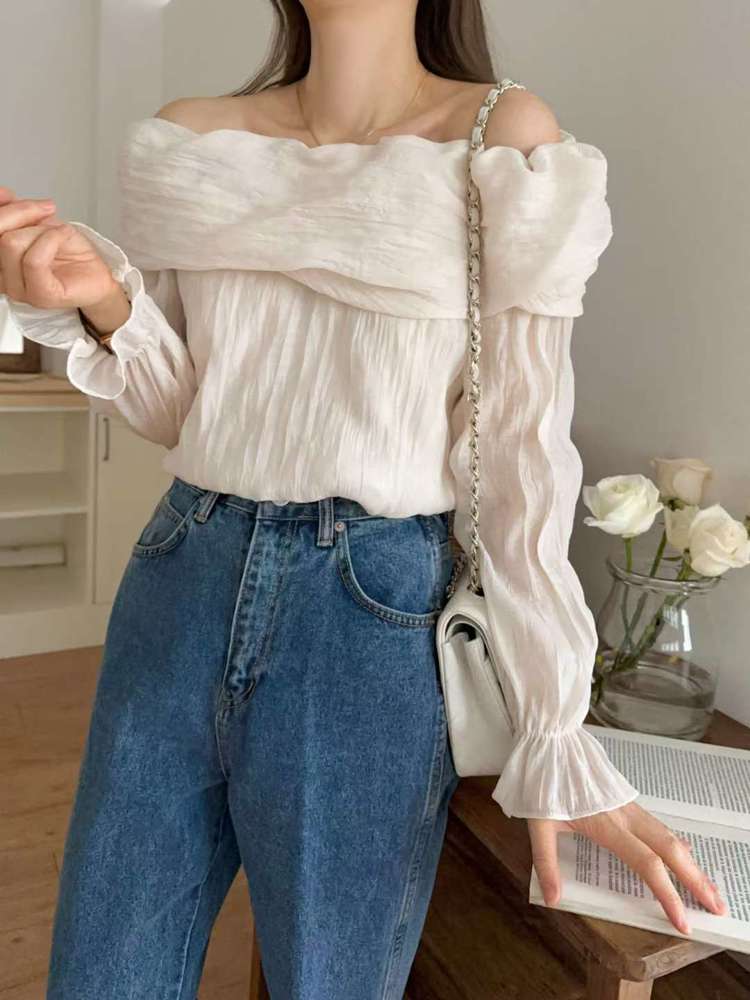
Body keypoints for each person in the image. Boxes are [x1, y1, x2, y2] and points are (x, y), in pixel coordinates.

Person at [0, 1, 727, 996]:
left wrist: (556, 731)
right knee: (102, 971)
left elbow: (519, 459)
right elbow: (180, 413)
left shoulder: (504, 140)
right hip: (182, 573)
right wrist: (101, 299)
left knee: (329, 979)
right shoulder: (195, 139)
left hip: (371, 608)